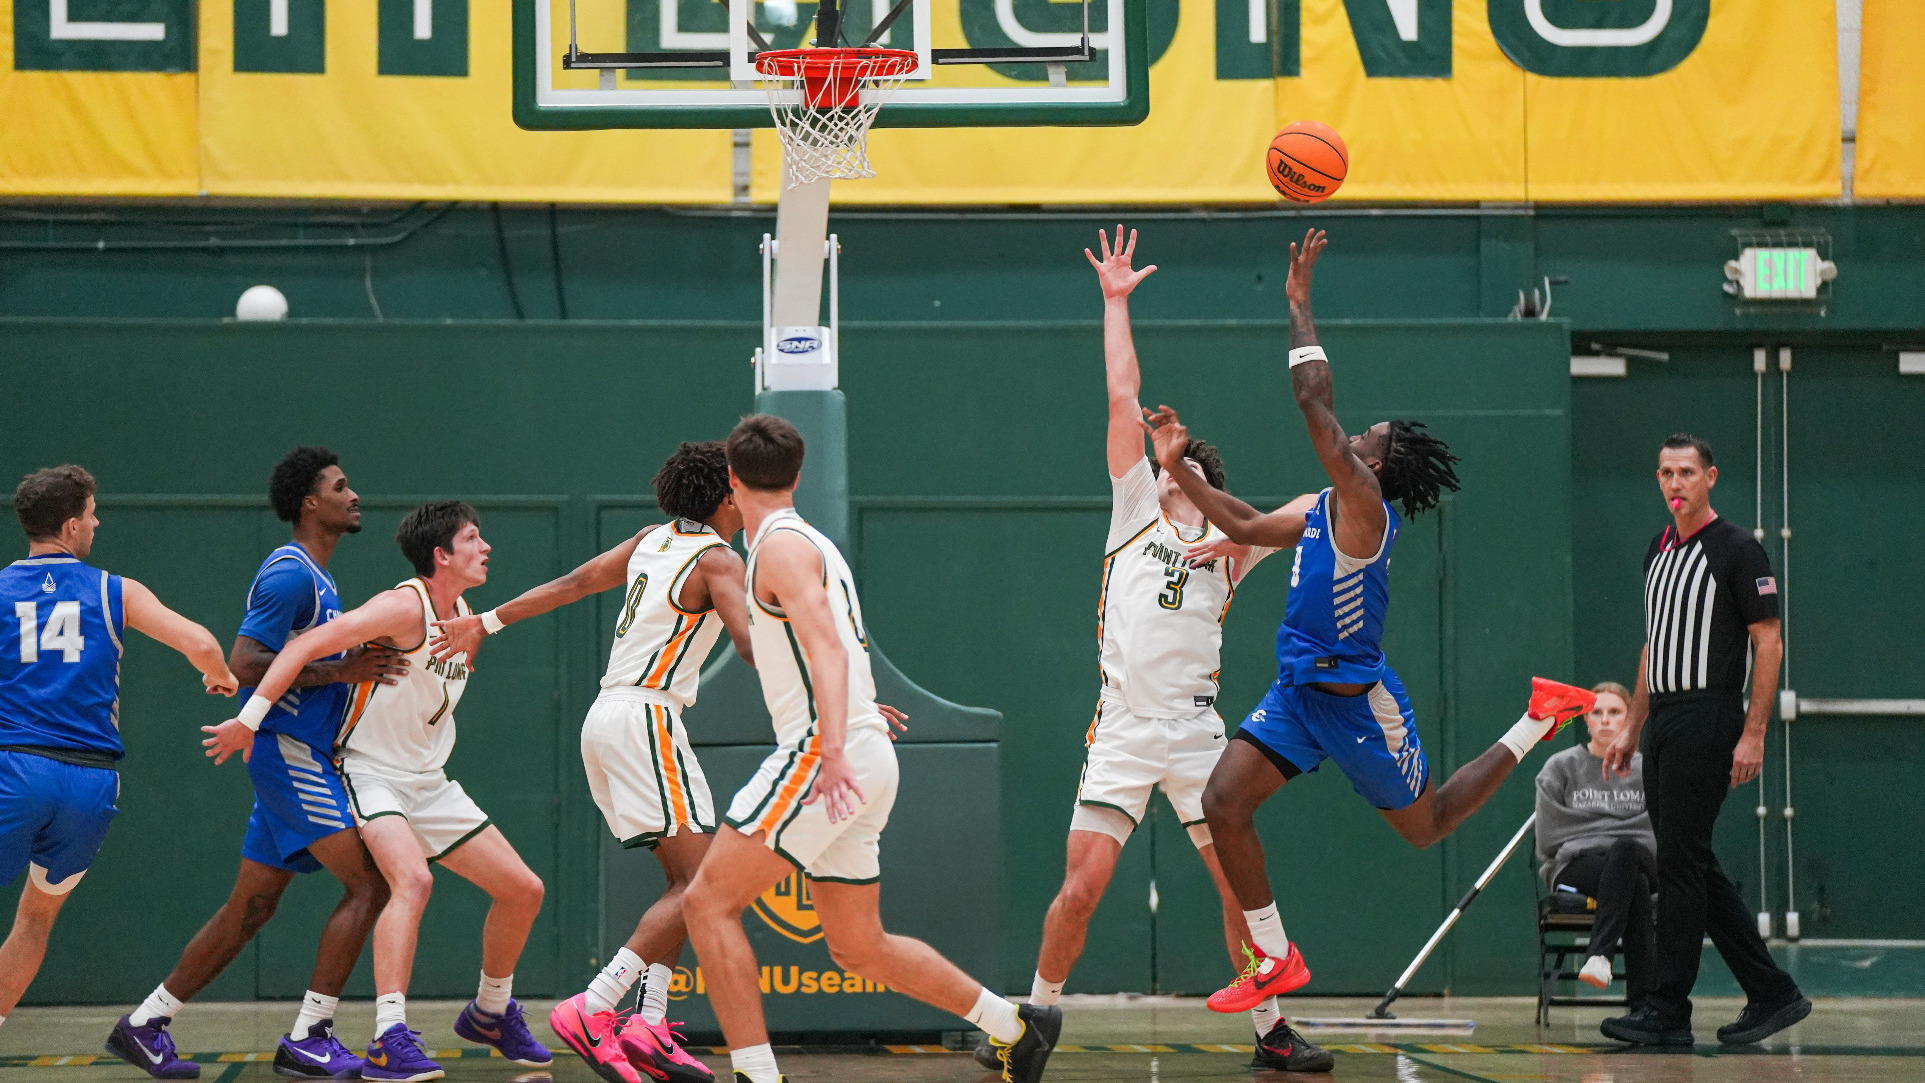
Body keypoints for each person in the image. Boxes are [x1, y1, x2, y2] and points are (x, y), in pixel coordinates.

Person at [1143, 228, 1587, 1018]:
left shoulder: (1363, 505)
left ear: (1374, 466)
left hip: (1356, 705)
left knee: (1427, 826)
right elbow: (1243, 524)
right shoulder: (1320, 507)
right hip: (1297, 694)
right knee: (1222, 803)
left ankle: (1535, 718)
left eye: (1366, 438)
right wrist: (1175, 465)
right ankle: (1275, 953)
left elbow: (1313, 402)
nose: (1353, 435)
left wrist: (1297, 303)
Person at [980, 226, 1322, 1072]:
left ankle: (1270, 1030)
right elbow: (1119, 393)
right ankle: (1034, 1017)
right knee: (1081, 888)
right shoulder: (1132, 506)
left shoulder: (1233, 538)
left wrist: (1227, 518)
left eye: (1180, 462)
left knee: (1235, 889)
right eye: (1164, 460)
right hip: (1125, 727)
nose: (1168, 465)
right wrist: (1114, 301)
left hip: (1197, 731)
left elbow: (1319, 500)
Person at [681, 415, 1060, 1083]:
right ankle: (1016, 1026)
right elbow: (835, 646)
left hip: (827, 754)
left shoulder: (778, 549)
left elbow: (827, 645)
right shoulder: (811, 542)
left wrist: (831, 745)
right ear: (796, 477)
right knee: (857, 945)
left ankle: (755, 1074)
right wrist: (856, 711)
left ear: (732, 481)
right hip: (862, 745)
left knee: (706, 902)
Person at [429, 442, 753, 1083]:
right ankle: (597, 1004)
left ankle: (650, 1024)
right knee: (707, 886)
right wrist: (837, 692)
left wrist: (484, 624)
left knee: (689, 883)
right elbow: (749, 645)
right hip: (647, 719)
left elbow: (573, 584)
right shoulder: (719, 560)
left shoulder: (650, 541)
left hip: (609, 717)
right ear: (725, 497)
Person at [204, 502, 551, 1081]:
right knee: (411, 881)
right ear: (441, 555)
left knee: (523, 890)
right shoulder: (399, 605)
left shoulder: (465, 620)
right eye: (473, 538)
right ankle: (389, 1035)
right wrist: (252, 718)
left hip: (429, 782)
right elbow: (298, 648)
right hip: (370, 772)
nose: (486, 547)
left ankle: (490, 1012)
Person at [110, 447, 402, 1081]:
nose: (354, 496)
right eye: (340, 487)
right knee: (372, 884)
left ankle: (145, 1023)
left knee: (252, 908)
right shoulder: (291, 574)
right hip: (289, 755)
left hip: (298, 756)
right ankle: (311, 1034)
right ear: (310, 503)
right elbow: (245, 665)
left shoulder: (320, 580)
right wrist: (342, 670)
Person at [1, 466, 238, 1039]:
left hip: (14, 767)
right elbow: (201, 643)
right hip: (89, 782)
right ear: (71, 524)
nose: (98, 521)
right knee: (34, 920)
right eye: (92, 513)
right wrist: (222, 677)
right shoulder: (114, 590)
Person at [1599, 434, 1810, 1047]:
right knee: (1689, 859)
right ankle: (1773, 992)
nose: (1674, 483)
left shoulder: (1739, 549)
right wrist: (1632, 727)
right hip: (1663, 717)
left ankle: (1667, 1007)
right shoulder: (1658, 549)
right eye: (1665, 472)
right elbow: (1653, 646)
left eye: (1686, 472)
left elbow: (1767, 643)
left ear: (1710, 477)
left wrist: (1753, 732)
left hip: (1709, 715)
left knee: (1680, 861)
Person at [1534, 681, 1655, 1001]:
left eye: (1614, 712)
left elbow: (1658, 835)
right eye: (1596, 712)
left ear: (1630, 719)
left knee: (1628, 851)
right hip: (1577, 867)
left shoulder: (1649, 770)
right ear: (1585, 719)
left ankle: (1599, 955)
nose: (1604, 720)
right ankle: (1643, 1008)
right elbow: (1548, 839)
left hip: (1637, 855)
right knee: (1635, 882)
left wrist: (1590, 831)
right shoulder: (1560, 767)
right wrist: (1618, 832)